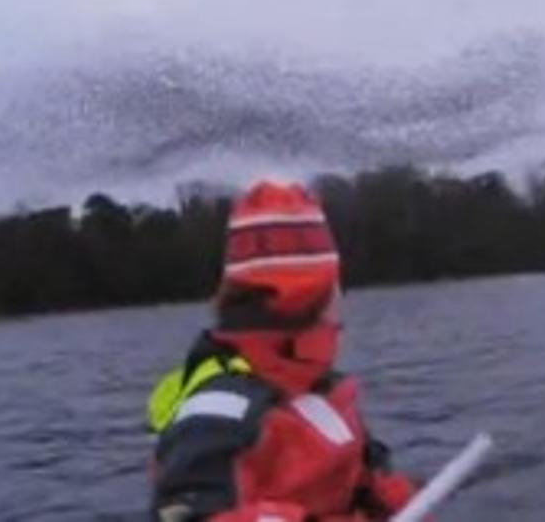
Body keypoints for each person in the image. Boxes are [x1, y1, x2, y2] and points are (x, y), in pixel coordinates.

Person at [146, 181, 419, 522]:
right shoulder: (219, 412)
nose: (342, 298)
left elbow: (366, 473)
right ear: (308, 296)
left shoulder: (319, 389)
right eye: (334, 284)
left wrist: (392, 498)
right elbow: (185, 514)